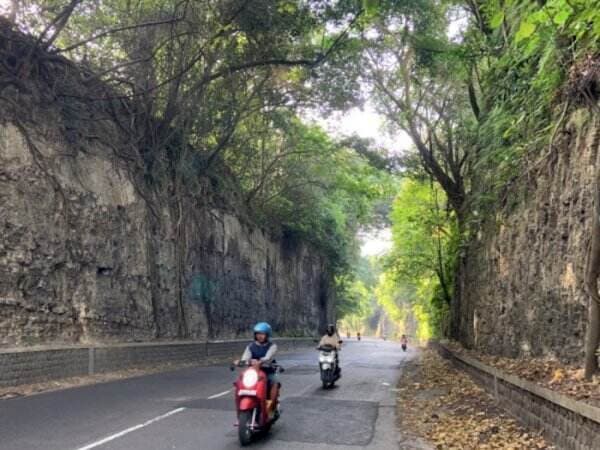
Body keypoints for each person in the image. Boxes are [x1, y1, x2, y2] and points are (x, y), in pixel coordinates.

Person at [237, 322, 279, 414]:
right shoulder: (250, 346)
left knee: (274, 383)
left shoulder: (272, 346)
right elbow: (245, 358)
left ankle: (271, 407)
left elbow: (268, 357)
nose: (260, 336)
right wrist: (241, 362)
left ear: (267, 335)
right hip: (253, 372)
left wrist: (261, 361)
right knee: (239, 382)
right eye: (258, 334)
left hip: (268, 370)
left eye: (262, 334)